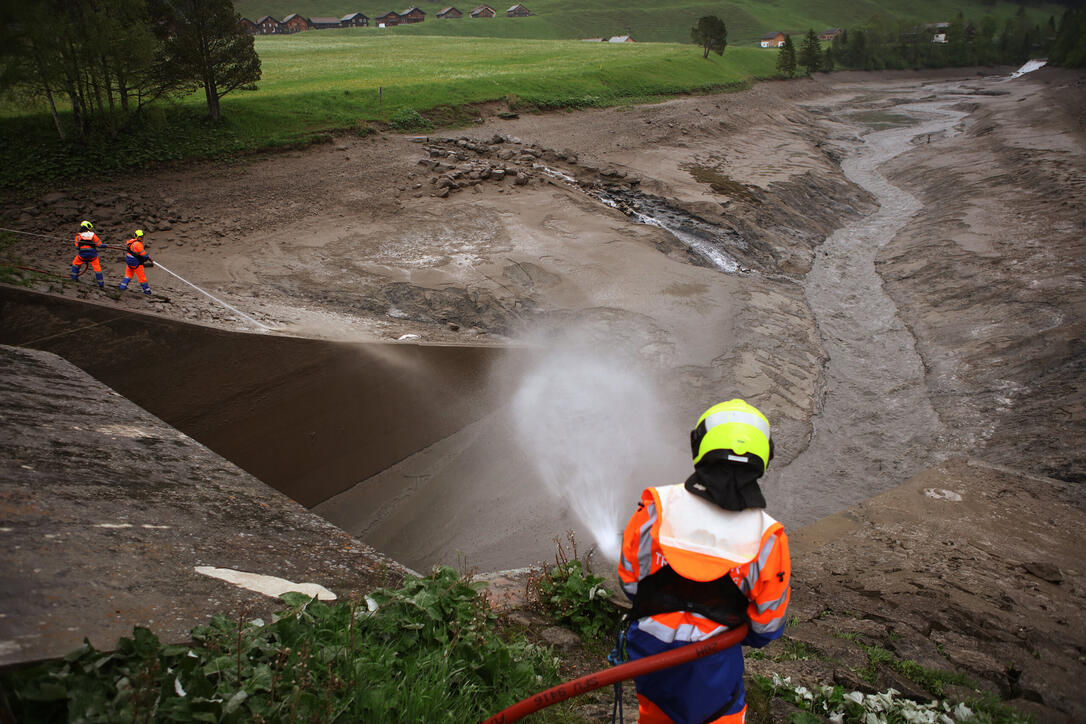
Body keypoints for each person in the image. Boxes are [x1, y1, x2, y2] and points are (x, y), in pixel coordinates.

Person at [617, 399, 791, 724]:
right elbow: (767, 626)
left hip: (649, 656)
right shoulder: (768, 536)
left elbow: (630, 583)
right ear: (765, 455)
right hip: (715, 662)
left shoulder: (655, 506)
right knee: (720, 715)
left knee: (656, 714)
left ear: (698, 445)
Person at [118, 229, 154, 295]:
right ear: (137, 237)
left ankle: (122, 287)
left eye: (142, 237)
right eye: (140, 237)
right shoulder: (138, 244)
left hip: (129, 261)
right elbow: (144, 255)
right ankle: (147, 291)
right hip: (136, 263)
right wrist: (149, 259)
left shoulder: (131, 242)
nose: (142, 238)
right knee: (142, 277)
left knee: (128, 275)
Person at [71, 220, 104, 288]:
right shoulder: (92, 235)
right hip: (93, 255)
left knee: (75, 263)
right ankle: (101, 284)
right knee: (97, 268)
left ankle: (74, 278)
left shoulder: (78, 236)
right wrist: (105, 245)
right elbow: (99, 244)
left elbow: (77, 247)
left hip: (82, 255)